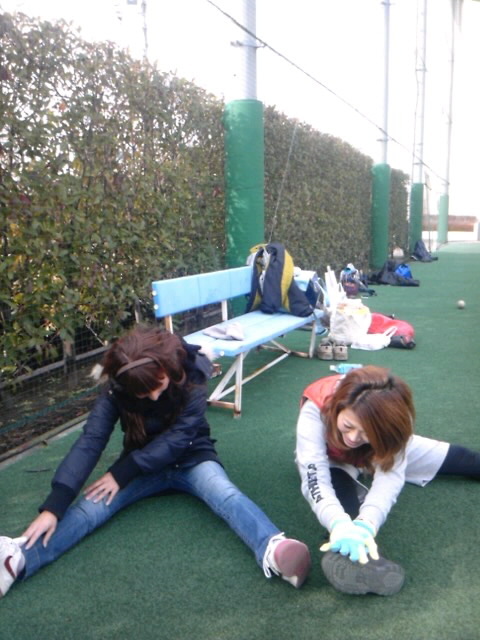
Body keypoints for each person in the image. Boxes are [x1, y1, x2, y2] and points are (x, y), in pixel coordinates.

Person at [0, 326, 311, 599]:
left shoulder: (192, 373)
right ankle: (18, 559)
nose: (152, 397)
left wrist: (122, 472)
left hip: (191, 458)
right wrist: (55, 505)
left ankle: (274, 548)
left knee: (226, 493)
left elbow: (180, 436)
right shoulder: (117, 389)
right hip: (139, 467)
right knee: (90, 507)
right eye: (142, 392)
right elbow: (91, 440)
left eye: (158, 385)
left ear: (168, 367)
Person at [295, 365, 480, 596]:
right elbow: (314, 475)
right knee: (345, 510)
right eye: (348, 426)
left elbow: (389, 477)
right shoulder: (315, 410)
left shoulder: (393, 419)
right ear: (339, 408)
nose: (353, 437)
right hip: (334, 459)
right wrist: (339, 524)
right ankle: (363, 563)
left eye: (365, 432)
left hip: (380, 449)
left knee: (466, 460)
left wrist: (368, 523)